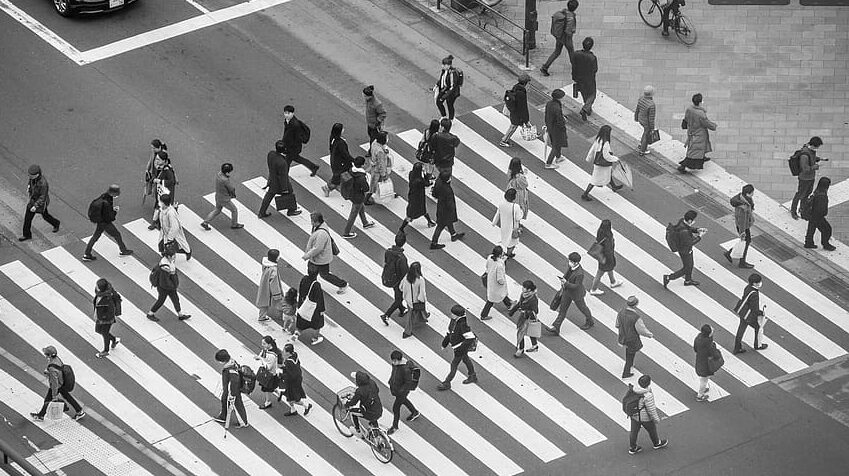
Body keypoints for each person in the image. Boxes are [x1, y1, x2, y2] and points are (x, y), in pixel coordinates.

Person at [30, 346, 85, 421]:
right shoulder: (57, 359)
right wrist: (49, 372)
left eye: (46, 353)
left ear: (49, 355)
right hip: (62, 382)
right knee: (68, 397)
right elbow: (58, 371)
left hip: (57, 385)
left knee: (47, 400)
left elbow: (54, 383)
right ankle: (79, 411)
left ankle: (41, 416)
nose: (45, 354)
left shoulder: (52, 368)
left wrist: (54, 395)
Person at [82, 184, 134, 261]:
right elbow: (109, 217)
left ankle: (87, 254)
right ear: (113, 193)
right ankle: (123, 250)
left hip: (100, 221)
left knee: (95, 236)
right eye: (117, 193)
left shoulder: (104, 196)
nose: (117, 195)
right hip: (105, 223)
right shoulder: (107, 202)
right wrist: (115, 211)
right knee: (117, 234)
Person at [546, 252, 594, 333]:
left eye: (571, 261)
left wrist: (566, 283)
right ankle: (556, 327)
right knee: (562, 309)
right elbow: (567, 274)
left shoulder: (580, 273)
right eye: (569, 260)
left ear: (576, 262)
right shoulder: (571, 267)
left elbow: (576, 286)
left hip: (576, 294)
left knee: (582, 308)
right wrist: (563, 279)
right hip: (567, 292)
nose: (569, 263)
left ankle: (590, 321)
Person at [303, 212, 348, 293]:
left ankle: (342, 284)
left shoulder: (321, 234)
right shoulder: (320, 227)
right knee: (319, 274)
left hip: (320, 258)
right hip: (321, 258)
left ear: (317, 222)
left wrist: (307, 255)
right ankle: (313, 286)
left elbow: (318, 248)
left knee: (320, 274)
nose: (311, 222)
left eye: (312, 221)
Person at [437, 305, 477, 390]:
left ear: (458, 315)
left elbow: (470, 337)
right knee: (465, 359)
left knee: (454, 365)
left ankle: (447, 382)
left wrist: (461, 349)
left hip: (459, 348)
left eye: (453, 314)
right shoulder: (454, 321)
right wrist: (444, 343)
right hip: (458, 347)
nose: (451, 314)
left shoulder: (462, 324)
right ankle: (472, 375)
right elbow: (449, 333)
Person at [146, 246, 191, 322]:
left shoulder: (168, 261)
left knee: (175, 299)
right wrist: (172, 286)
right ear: (169, 256)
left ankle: (180, 315)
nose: (175, 256)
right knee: (161, 300)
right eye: (173, 255)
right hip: (164, 287)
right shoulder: (165, 267)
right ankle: (150, 314)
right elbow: (165, 280)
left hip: (170, 286)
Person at [259, 140, 301, 218]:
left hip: (272, 179)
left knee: (269, 195)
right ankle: (291, 210)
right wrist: (285, 189)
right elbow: (283, 177)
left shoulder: (271, 154)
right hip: (279, 183)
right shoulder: (282, 163)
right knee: (290, 192)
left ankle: (262, 212)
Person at [627, 375, 668, 455]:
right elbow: (651, 409)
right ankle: (657, 443)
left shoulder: (634, 389)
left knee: (634, 432)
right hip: (645, 417)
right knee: (652, 429)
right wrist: (656, 419)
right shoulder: (647, 395)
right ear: (648, 383)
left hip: (634, 415)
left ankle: (633, 448)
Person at [663, 210, 705, 288]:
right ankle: (668, 277)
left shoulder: (682, 221)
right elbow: (690, 243)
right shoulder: (684, 232)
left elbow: (689, 228)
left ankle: (688, 280)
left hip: (683, 248)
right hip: (685, 251)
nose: (694, 221)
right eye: (693, 220)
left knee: (690, 265)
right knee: (687, 268)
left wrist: (696, 230)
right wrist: (700, 236)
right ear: (690, 221)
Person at [19, 164, 60, 242]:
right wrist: (29, 188)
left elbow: (42, 197)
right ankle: (27, 235)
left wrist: (35, 206)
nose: (29, 176)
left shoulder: (43, 184)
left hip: (40, 204)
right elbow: (30, 182)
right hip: (33, 200)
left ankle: (56, 223)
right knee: (27, 219)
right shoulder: (33, 178)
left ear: (37, 175)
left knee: (45, 216)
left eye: (31, 175)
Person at [678, 93, 717, 173]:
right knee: (695, 150)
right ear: (700, 102)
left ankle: (702, 156)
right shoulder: (701, 114)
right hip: (699, 133)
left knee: (696, 147)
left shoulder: (689, 109)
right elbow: (705, 123)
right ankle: (683, 166)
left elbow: (686, 118)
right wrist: (713, 126)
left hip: (691, 131)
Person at [582, 125, 622, 201]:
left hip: (598, 162)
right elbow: (606, 156)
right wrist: (615, 159)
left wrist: (589, 158)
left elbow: (592, 149)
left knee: (608, 174)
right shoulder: (606, 143)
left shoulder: (598, 139)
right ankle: (585, 194)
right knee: (594, 180)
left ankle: (614, 186)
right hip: (602, 164)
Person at [616, 296, 653, 378]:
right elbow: (641, 329)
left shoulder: (621, 312)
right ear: (635, 305)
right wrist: (649, 334)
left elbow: (617, 324)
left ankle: (631, 364)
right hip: (632, 338)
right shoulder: (635, 317)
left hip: (623, 336)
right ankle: (626, 372)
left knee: (628, 352)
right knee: (630, 354)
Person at [540, 0, 578, 76]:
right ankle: (576, 68)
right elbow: (568, 31)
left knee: (557, 51)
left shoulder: (563, 12)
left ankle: (545, 67)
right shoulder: (570, 18)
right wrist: (570, 35)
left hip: (559, 36)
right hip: (566, 38)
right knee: (571, 52)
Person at [733, 273, 768, 354]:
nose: (760, 283)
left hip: (743, 311)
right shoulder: (754, 294)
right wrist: (761, 313)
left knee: (741, 329)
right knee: (758, 327)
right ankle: (758, 345)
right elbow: (754, 309)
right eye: (759, 282)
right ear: (754, 283)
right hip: (748, 315)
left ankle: (737, 347)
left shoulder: (748, 287)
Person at [790, 137, 824, 220]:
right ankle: (793, 211)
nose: (817, 148)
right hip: (804, 178)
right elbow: (805, 168)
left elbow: (812, 158)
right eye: (817, 146)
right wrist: (815, 167)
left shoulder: (811, 151)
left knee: (807, 194)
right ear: (813, 145)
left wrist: (819, 159)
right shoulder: (804, 155)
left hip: (810, 177)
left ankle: (802, 209)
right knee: (800, 194)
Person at [212, 349, 248, 428]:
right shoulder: (232, 362)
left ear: (223, 360)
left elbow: (234, 382)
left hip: (232, 391)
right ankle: (223, 416)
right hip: (228, 389)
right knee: (224, 400)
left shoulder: (230, 370)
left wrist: (232, 394)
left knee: (237, 405)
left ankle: (243, 422)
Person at [387, 350, 420, 435]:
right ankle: (415, 412)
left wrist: (401, 391)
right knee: (404, 400)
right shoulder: (396, 365)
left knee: (396, 408)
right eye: (393, 360)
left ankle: (395, 426)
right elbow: (394, 373)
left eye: (395, 361)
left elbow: (408, 382)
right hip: (396, 388)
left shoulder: (405, 369)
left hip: (402, 391)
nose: (393, 362)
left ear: (400, 360)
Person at [201, 163, 243, 230]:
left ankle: (205, 222)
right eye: (229, 172)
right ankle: (234, 224)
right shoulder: (225, 180)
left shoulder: (219, 174)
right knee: (234, 210)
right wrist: (233, 195)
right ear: (227, 172)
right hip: (225, 199)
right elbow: (231, 189)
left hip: (218, 196)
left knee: (217, 210)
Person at [281, 105, 320, 176]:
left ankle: (284, 177)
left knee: (287, 162)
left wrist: (287, 147)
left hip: (293, 148)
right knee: (297, 159)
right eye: (285, 113)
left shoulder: (295, 125)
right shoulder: (288, 121)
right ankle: (313, 167)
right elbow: (286, 134)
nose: (286, 115)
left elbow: (297, 138)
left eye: (288, 113)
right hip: (291, 147)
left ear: (292, 113)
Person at [430, 172, 465, 250]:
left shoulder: (439, 183)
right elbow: (450, 204)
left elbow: (434, 194)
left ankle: (453, 234)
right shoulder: (447, 190)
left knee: (448, 222)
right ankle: (434, 243)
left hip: (441, 207)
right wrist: (453, 210)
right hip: (446, 210)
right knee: (441, 226)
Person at [723, 184, 755, 268]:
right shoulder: (743, 207)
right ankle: (742, 262)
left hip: (744, 225)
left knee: (745, 242)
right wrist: (742, 232)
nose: (753, 194)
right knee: (746, 242)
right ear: (748, 193)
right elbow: (742, 220)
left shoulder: (743, 198)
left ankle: (730, 253)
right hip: (743, 227)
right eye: (752, 193)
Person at [341, 156, 374, 239]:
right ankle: (346, 232)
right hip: (358, 196)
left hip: (352, 194)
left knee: (361, 208)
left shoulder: (351, 170)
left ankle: (365, 223)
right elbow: (366, 188)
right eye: (365, 163)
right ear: (362, 165)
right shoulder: (361, 177)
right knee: (353, 214)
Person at [381, 230, 410, 326]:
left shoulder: (388, 251)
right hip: (399, 280)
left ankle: (402, 309)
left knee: (397, 295)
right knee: (399, 299)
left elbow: (386, 262)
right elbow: (404, 272)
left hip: (390, 276)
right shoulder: (402, 258)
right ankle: (386, 315)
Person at [278, 343, 313, 416]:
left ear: (288, 352)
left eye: (284, 350)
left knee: (293, 398)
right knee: (289, 396)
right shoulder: (295, 355)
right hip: (298, 378)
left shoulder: (288, 362)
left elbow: (290, 375)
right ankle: (292, 409)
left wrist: (281, 375)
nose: (283, 351)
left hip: (293, 382)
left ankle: (306, 406)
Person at [589, 219, 622, 294]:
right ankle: (593, 289)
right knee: (599, 274)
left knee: (610, 269)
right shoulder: (607, 237)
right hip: (606, 258)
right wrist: (611, 259)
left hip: (602, 256)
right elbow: (608, 250)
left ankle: (613, 281)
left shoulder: (600, 232)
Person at [346, 371, 383, 437]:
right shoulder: (372, 382)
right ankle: (376, 430)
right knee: (373, 410)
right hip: (378, 408)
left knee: (352, 412)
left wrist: (347, 404)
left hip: (369, 413)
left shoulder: (359, 391)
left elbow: (353, 402)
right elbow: (377, 390)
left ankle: (357, 431)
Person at [509, 280, 540, 358]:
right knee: (529, 331)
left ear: (529, 289)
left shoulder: (533, 299)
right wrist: (513, 311)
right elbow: (520, 303)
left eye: (524, 287)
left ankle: (521, 349)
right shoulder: (523, 294)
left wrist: (526, 312)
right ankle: (534, 345)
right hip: (523, 316)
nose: (522, 288)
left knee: (521, 332)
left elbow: (536, 311)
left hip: (528, 318)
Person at [147, 150, 177, 230]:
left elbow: (172, 181)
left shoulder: (168, 170)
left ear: (164, 161)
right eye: (156, 159)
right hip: (160, 191)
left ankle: (158, 223)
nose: (156, 161)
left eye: (158, 159)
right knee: (158, 206)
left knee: (164, 209)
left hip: (166, 192)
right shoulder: (159, 167)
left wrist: (160, 181)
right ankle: (155, 222)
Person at [499, 74, 531, 147]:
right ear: (525, 83)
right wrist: (526, 119)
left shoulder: (516, 87)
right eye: (528, 82)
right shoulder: (521, 94)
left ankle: (505, 140)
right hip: (516, 113)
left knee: (514, 126)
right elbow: (523, 107)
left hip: (513, 110)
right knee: (513, 126)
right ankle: (504, 141)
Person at [322, 123, 354, 197]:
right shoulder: (340, 143)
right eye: (342, 129)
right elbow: (345, 154)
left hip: (335, 160)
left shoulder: (333, 137)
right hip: (341, 163)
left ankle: (334, 186)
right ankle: (328, 188)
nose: (343, 130)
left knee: (338, 175)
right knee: (338, 177)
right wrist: (353, 160)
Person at [93, 278, 122, 359]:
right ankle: (114, 339)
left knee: (104, 333)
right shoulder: (100, 293)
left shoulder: (107, 298)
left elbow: (110, 311)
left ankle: (106, 350)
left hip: (106, 319)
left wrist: (103, 318)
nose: (96, 287)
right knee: (98, 330)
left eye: (98, 286)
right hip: (100, 316)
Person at [481, 246, 512, 321]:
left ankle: (509, 304)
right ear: (500, 254)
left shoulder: (490, 257)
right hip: (496, 284)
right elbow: (500, 278)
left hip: (489, 279)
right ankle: (483, 315)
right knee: (492, 299)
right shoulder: (499, 265)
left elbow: (487, 266)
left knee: (500, 294)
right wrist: (503, 283)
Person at [157, 194, 191, 260]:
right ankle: (165, 254)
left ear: (164, 203)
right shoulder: (163, 209)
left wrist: (170, 237)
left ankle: (187, 252)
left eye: (161, 202)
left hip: (171, 234)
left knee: (175, 247)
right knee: (162, 245)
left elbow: (175, 227)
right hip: (164, 232)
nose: (159, 203)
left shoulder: (170, 213)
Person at [571, 37, 598, 121]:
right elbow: (595, 69)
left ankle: (588, 109)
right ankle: (586, 109)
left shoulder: (576, 54)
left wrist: (574, 76)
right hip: (589, 79)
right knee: (592, 95)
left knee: (584, 93)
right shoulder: (592, 58)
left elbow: (573, 65)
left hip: (579, 78)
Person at [804, 177, 835, 250]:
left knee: (811, 228)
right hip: (817, 216)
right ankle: (825, 244)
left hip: (811, 214)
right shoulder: (822, 195)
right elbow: (821, 208)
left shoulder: (817, 191)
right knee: (827, 229)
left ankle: (808, 243)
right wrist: (823, 214)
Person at [296, 274, 326, 345]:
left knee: (302, 320)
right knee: (317, 324)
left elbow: (301, 291)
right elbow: (320, 298)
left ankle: (297, 333)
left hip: (304, 305)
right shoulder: (316, 285)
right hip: (314, 309)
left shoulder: (304, 279)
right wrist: (322, 309)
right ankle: (315, 338)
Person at [492, 188, 523, 258]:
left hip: (504, 226)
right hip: (513, 228)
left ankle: (506, 252)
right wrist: (521, 212)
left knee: (506, 239)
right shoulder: (516, 207)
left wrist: (494, 223)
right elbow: (518, 218)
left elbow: (498, 214)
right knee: (512, 243)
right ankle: (508, 254)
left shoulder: (501, 204)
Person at [400, 262, 427, 338]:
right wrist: (423, 300)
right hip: (416, 301)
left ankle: (424, 317)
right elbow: (422, 293)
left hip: (408, 299)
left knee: (412, 311)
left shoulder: (406, 277)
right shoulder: (420, 279)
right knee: (410, 316)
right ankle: (407, 332)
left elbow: (401, 287)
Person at [403, 162, 436, 227]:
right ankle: (401, 228)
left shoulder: (411, 174)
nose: (423, 169)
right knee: (419, 210)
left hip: (412, 195)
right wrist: (426, 175)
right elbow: (427, 183)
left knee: (419, 210)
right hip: (419, 197)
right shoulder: (419, 180)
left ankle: (429, 222)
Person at [255, 335, 282, 409]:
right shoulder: (266, 350)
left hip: (269, 374)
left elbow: (268, 367)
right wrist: (259, 357)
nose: (262, 345)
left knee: (266, 388)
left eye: (264, 344)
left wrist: (261, 359)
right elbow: (262, 355)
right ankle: (278, 392)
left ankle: (268, 402)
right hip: (270, 373)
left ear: (269, 344)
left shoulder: (272, 355)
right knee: (270, 387)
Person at [256, 249, 284, 322]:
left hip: (264, 285)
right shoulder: (273, 269)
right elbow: (274, 283)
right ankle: (280, 315)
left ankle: (262, 316)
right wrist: (277, 294)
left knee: (263, 301)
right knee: (276, 301)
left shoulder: (266, 265)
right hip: (269, 289)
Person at [544, 89, 568, 169]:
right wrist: (563, 123)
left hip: (550, 126)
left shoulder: (549, 103)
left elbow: (547, 115)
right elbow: (559, 120)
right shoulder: (557, 107)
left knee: (557, 143)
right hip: (557, 129)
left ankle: (558, 157)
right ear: (559, 98)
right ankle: (548, 163)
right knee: (556, 145)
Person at [693, 324, 718, 402]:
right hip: (706, 364)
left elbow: (695, 349)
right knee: (704, 380)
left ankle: (702, 390)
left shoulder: (698, 338)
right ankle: (700, 395)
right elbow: (714, 354)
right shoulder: (709, 344)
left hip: (700, 360)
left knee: (703, 378)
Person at [434, 55, 461, 120]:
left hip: (452, 93)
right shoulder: (444, 70)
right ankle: (444, 116)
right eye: (442, 64)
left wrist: (444, 96)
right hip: (445, 89)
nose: (442, 66)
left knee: (450, 105)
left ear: (449, 66)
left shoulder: (452, 73)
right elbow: (442, 78)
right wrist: (437, 84)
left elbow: (452, 87)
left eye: (444, 65)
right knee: (438, 102)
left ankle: (451, 119)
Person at [367, 131, 392, 198]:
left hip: (374, 166)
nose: (388, 139)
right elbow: (381, 164)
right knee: (376, 184)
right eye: (386, 137)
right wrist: (383, 174)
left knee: (374, 182)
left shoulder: (374, 142)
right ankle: (369, 197)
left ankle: (373, 195)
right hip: (377, 170)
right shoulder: (380, 152)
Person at [143, 139, 168, 205]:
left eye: (154, 148)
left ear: (159, 147)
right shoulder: (153, 152)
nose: (152, 149)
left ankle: (158, 203)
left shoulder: (163, 155)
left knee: (158, 190)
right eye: (152, 148)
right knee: (151, 186)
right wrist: (147, 169)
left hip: (159, 175)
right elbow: (150, 160)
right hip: (154, 173)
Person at [363, 86, 387, 152]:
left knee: (373, 139)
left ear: (370, 96)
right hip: (370, 123)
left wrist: (378, 121)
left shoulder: (377, 104)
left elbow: (383, 113)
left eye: (365, 96)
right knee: (370, 135)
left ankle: (371, 151)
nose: (364, 97)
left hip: (375, 125)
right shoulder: (368, 100)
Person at [634, 86, 656, 156]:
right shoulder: (651, 105)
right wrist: (652, 128)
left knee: (645, 132)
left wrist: (636, 117)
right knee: (646, 135)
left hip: (640, 119)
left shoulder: (641, 98)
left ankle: (641, 144)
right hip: (646, 123)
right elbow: (651, 118)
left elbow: (637, 109)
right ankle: (642, 150)